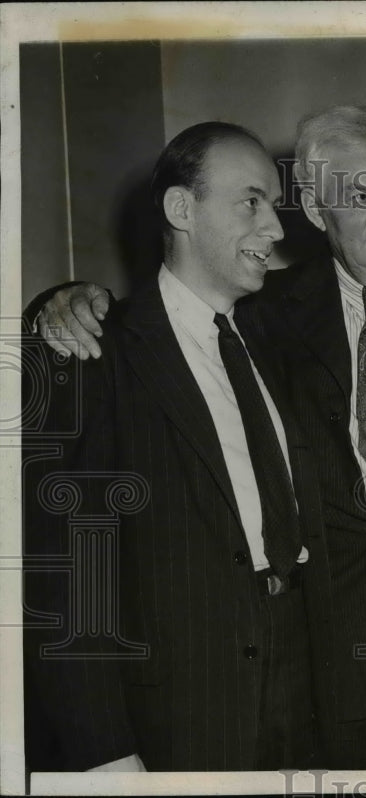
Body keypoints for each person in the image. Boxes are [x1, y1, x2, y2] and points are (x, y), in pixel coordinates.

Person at [31, 106, 366, 769]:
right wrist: (61, 304)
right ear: (316, 212)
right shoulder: (267, 309)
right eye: (359, 196)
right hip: (325, 679)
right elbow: (163, 316)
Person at [22, 122, 333, 771]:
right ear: (180, 209)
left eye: (273, 206)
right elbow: (68, 577)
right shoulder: (99, 354)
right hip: (179, 719)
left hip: (300, 698)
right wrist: (104, 752)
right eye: (251, 201)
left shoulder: (278, 335)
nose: (275, 229)